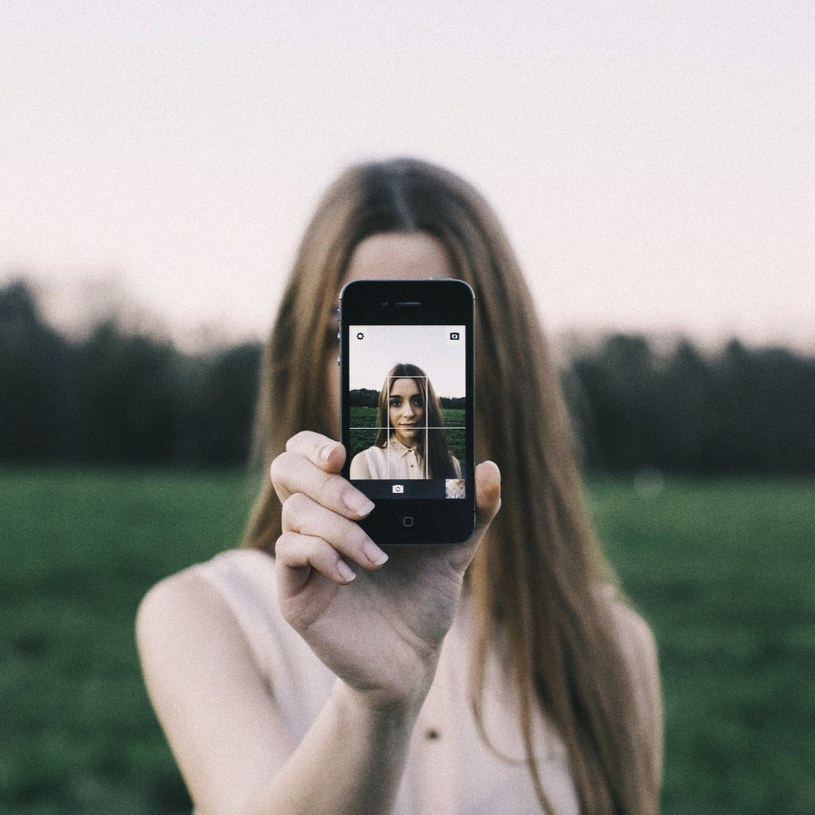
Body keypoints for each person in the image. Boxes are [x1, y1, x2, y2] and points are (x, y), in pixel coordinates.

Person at [136, 158, 662, 815]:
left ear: (502, 360)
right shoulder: (208, 615)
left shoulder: (613, 648)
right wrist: (374, 703)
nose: (404, 398)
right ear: (308, 359)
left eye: (436, 336)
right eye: (349, 336)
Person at [349, 362, 462, 480]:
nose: (409, 413)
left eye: (418, 402)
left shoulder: (452, 464)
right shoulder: (366, 462)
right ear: (386, 409)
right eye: (396, 403)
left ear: (429, 407)